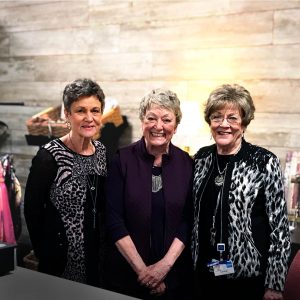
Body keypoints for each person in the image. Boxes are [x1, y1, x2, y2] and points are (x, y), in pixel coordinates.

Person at [191, 83, 291, 300]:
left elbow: (280, 230)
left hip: (247, 279)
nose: (223, 124)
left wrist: (274, 285)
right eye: (216, 117)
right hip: (202, 275)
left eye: (232, 118)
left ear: (244, 123)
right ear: (209, 121)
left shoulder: (263, 161)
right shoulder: (201, 159)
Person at [105, 88, 194, 299]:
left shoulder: (188, 164)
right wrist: (144, 273)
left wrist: (163, 268)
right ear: (142, 120)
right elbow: (113, 219)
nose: (158, 126)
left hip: (174, 277)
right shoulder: (121, 160)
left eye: (166, 119)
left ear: (176, 125)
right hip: (128, 276)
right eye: (151, 118)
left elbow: (188, 220)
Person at [24, 78, 107, 286]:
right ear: (67, 114)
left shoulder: (102, 152)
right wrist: (45, 253)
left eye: (95, 110)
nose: (89, 118)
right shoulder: (48, 156)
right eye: (81, 110)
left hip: (96, 261)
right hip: (59, 263)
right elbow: (32, 211)